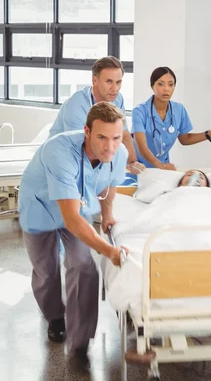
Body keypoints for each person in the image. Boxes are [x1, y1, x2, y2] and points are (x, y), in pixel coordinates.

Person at [18, 101, 130, 369]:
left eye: (115, 138)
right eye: (102, 137)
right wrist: (109, 250)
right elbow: (70, 218)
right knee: (46, 270)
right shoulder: (60, 151)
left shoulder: (120, 153)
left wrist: (108, 214)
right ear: (86, 132)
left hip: (77, 206)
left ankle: (79, 342)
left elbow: (110, 185)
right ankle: (55, 317)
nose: (109, 146)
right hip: (40, 206)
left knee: (83, 265)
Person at [48, 56, 145, 176]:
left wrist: (133, 162)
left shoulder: (118, 99)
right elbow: (82, 148)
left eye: (118, 82)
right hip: (63, 160)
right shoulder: (76, 105)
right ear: (94, 80)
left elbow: (124, 134)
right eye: (109, 81)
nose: (114, 89)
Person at [132, 66, 211, 170]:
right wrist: (160, 166)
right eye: (160, 84)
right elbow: (141, 146)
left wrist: (210, 133)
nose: (166, 89)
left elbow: (185, 139)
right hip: (137, 167)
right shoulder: (139, 111)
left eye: (171, 84)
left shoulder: (179, 110)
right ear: (152, 86)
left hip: (163, 168)